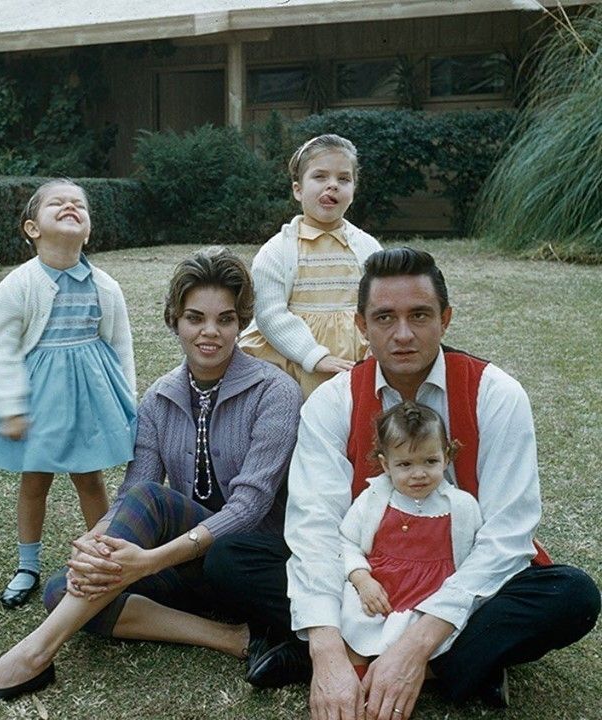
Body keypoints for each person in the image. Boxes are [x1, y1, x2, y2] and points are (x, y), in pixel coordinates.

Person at [205, 247, 600, 719]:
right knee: (232, 558)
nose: (403, 334)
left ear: (445, 319)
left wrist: (417, 643)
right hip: (369, 581)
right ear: (361, 326)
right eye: (385, 318)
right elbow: (316, 527)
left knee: (571, 595)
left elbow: (508, 532)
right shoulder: (333, 401)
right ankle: (464, 664)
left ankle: (388, 664)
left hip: (459, 570)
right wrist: (327, 651)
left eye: (419, 315)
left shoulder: (496, 393)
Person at [0, 247, 303, 710]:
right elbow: (133, 490)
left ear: (241, 323)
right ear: (174, 320)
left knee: (157, 506)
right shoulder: (159, 398)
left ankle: (33, 654)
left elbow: (250, 507)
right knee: (63, 589)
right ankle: (235, 638)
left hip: (248, 562)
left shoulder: (275, 391)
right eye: (195, 318)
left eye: (225, 319)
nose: (210, 332)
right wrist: (95, 544)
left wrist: (149, 562)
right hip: (190, 570)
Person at [0, 179, 137, 609]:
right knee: (35, 480)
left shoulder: (105, 286)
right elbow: (5, 349)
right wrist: (11, 407)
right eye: (57, 203)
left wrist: (128, 405)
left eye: (79, 205)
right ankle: (27, 564)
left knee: (90, 478)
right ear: (32, 228)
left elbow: (121, 348)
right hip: (39, 396)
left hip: (88, 394)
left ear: (87, 230)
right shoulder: (17, 285)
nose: (70, 207)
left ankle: (103, 556)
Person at [339, 400, 482, 682]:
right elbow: (346, 541)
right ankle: (358, 677)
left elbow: (477, 556)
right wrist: (362, 579)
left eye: (430, 461)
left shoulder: (462, 506)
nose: (418, 473)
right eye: (404, 464)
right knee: (352, 623)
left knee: (449, 642)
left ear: (447, 457)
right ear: (385, 464)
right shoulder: (375, 498)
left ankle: (410, 676)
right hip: (379, 592)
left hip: (430, 601)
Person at [239, 133, 381, 398]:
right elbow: (270, 314)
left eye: (343, 179)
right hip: (295, 359)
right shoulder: (277, 251)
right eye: (320, 177)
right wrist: (313, 356)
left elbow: (383, 303)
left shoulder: (368, 248)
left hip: (356, 361)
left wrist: (378, 346)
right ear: (298, 189)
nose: (332, 186)